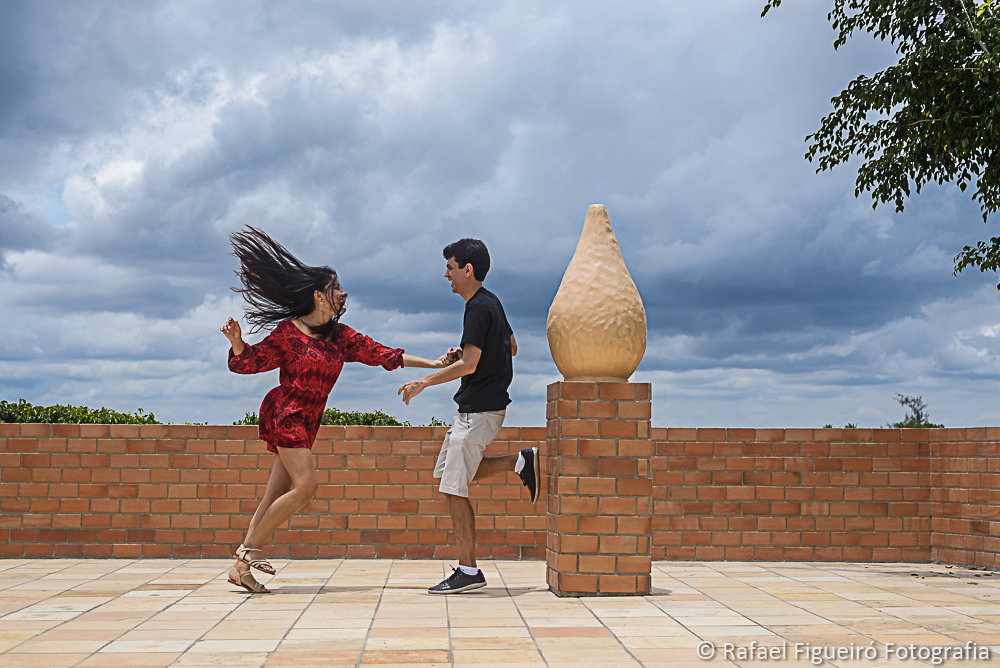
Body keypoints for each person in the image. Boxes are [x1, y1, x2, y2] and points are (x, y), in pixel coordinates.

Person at [220, 227, 458, 594]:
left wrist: (434, 363)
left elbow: (384, 355)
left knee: (274, 494)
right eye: (336, 288)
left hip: (308, 422)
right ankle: (249, 551)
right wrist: (238, 344)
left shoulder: (340, 337)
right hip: (286, 415)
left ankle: (241, 567)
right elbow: (249, 363)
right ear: (319, 295)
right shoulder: (287, 333)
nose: (343, 293)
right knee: (307, 485)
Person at [399, 238, 539, 594]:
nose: (445, 274)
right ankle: (518, 462)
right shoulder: (491, 302)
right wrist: (465, 352)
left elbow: (472, 364)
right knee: (448, 474)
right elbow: (512, 347)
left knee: (453, 487)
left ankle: (469, 570)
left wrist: (424, 381)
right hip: (477, 409)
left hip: (480, 410)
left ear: (467, 270)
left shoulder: (478, 307)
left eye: (449, 267)